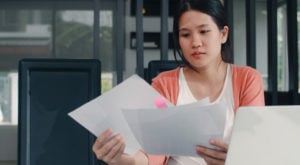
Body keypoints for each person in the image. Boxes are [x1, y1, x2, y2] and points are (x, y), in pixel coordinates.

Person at [92, 0, 265, 164]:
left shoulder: (247, 79)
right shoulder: (165, 84)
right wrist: (124, 161)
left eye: (204, 31)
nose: (196, 42)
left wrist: (235, 159)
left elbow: (255, 146)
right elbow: (154, 152)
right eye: (186, 34)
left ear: (223, 34)